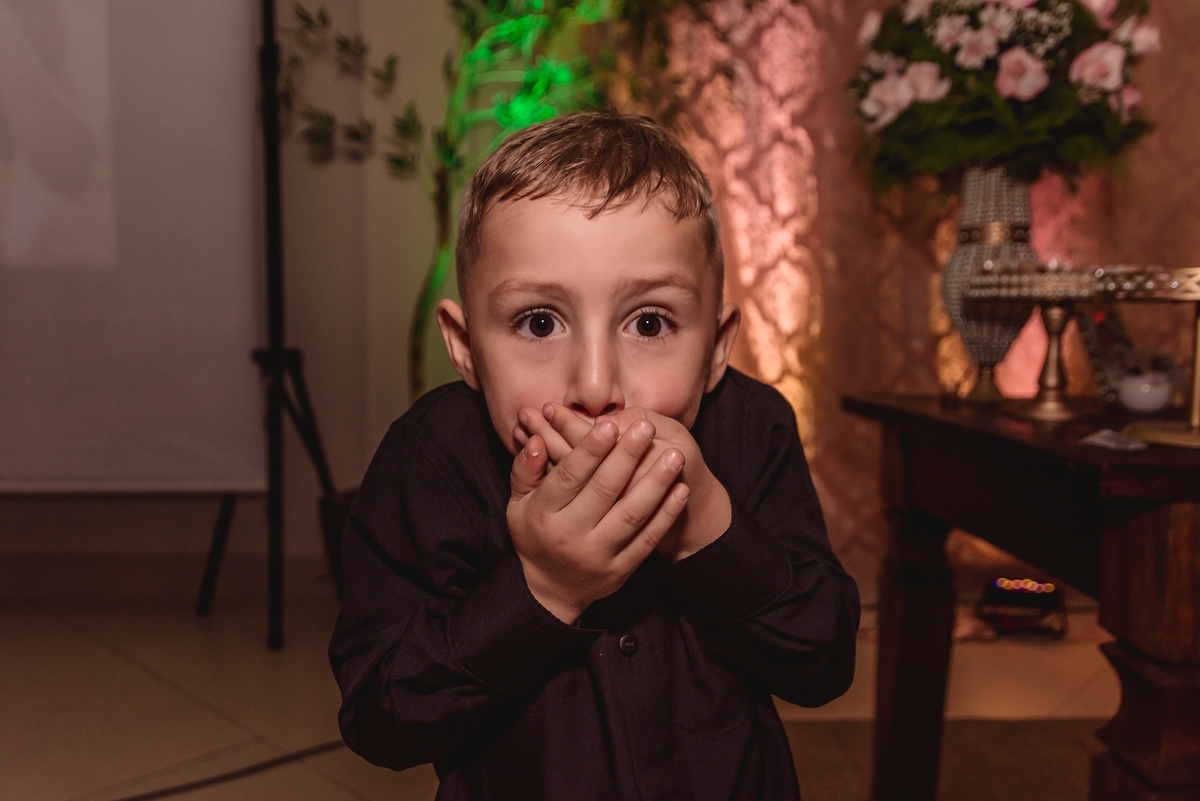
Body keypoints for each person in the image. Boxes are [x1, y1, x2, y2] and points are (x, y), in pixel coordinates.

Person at [329, 111, 860, 800]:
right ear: (465, 347)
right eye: (539, 322)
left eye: (649, 323)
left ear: (716, 345)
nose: (595, 386)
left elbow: (823, 660)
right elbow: (381, 717)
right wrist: (543, 586)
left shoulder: (753, 431)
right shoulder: (429, 462)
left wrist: (708, 532)